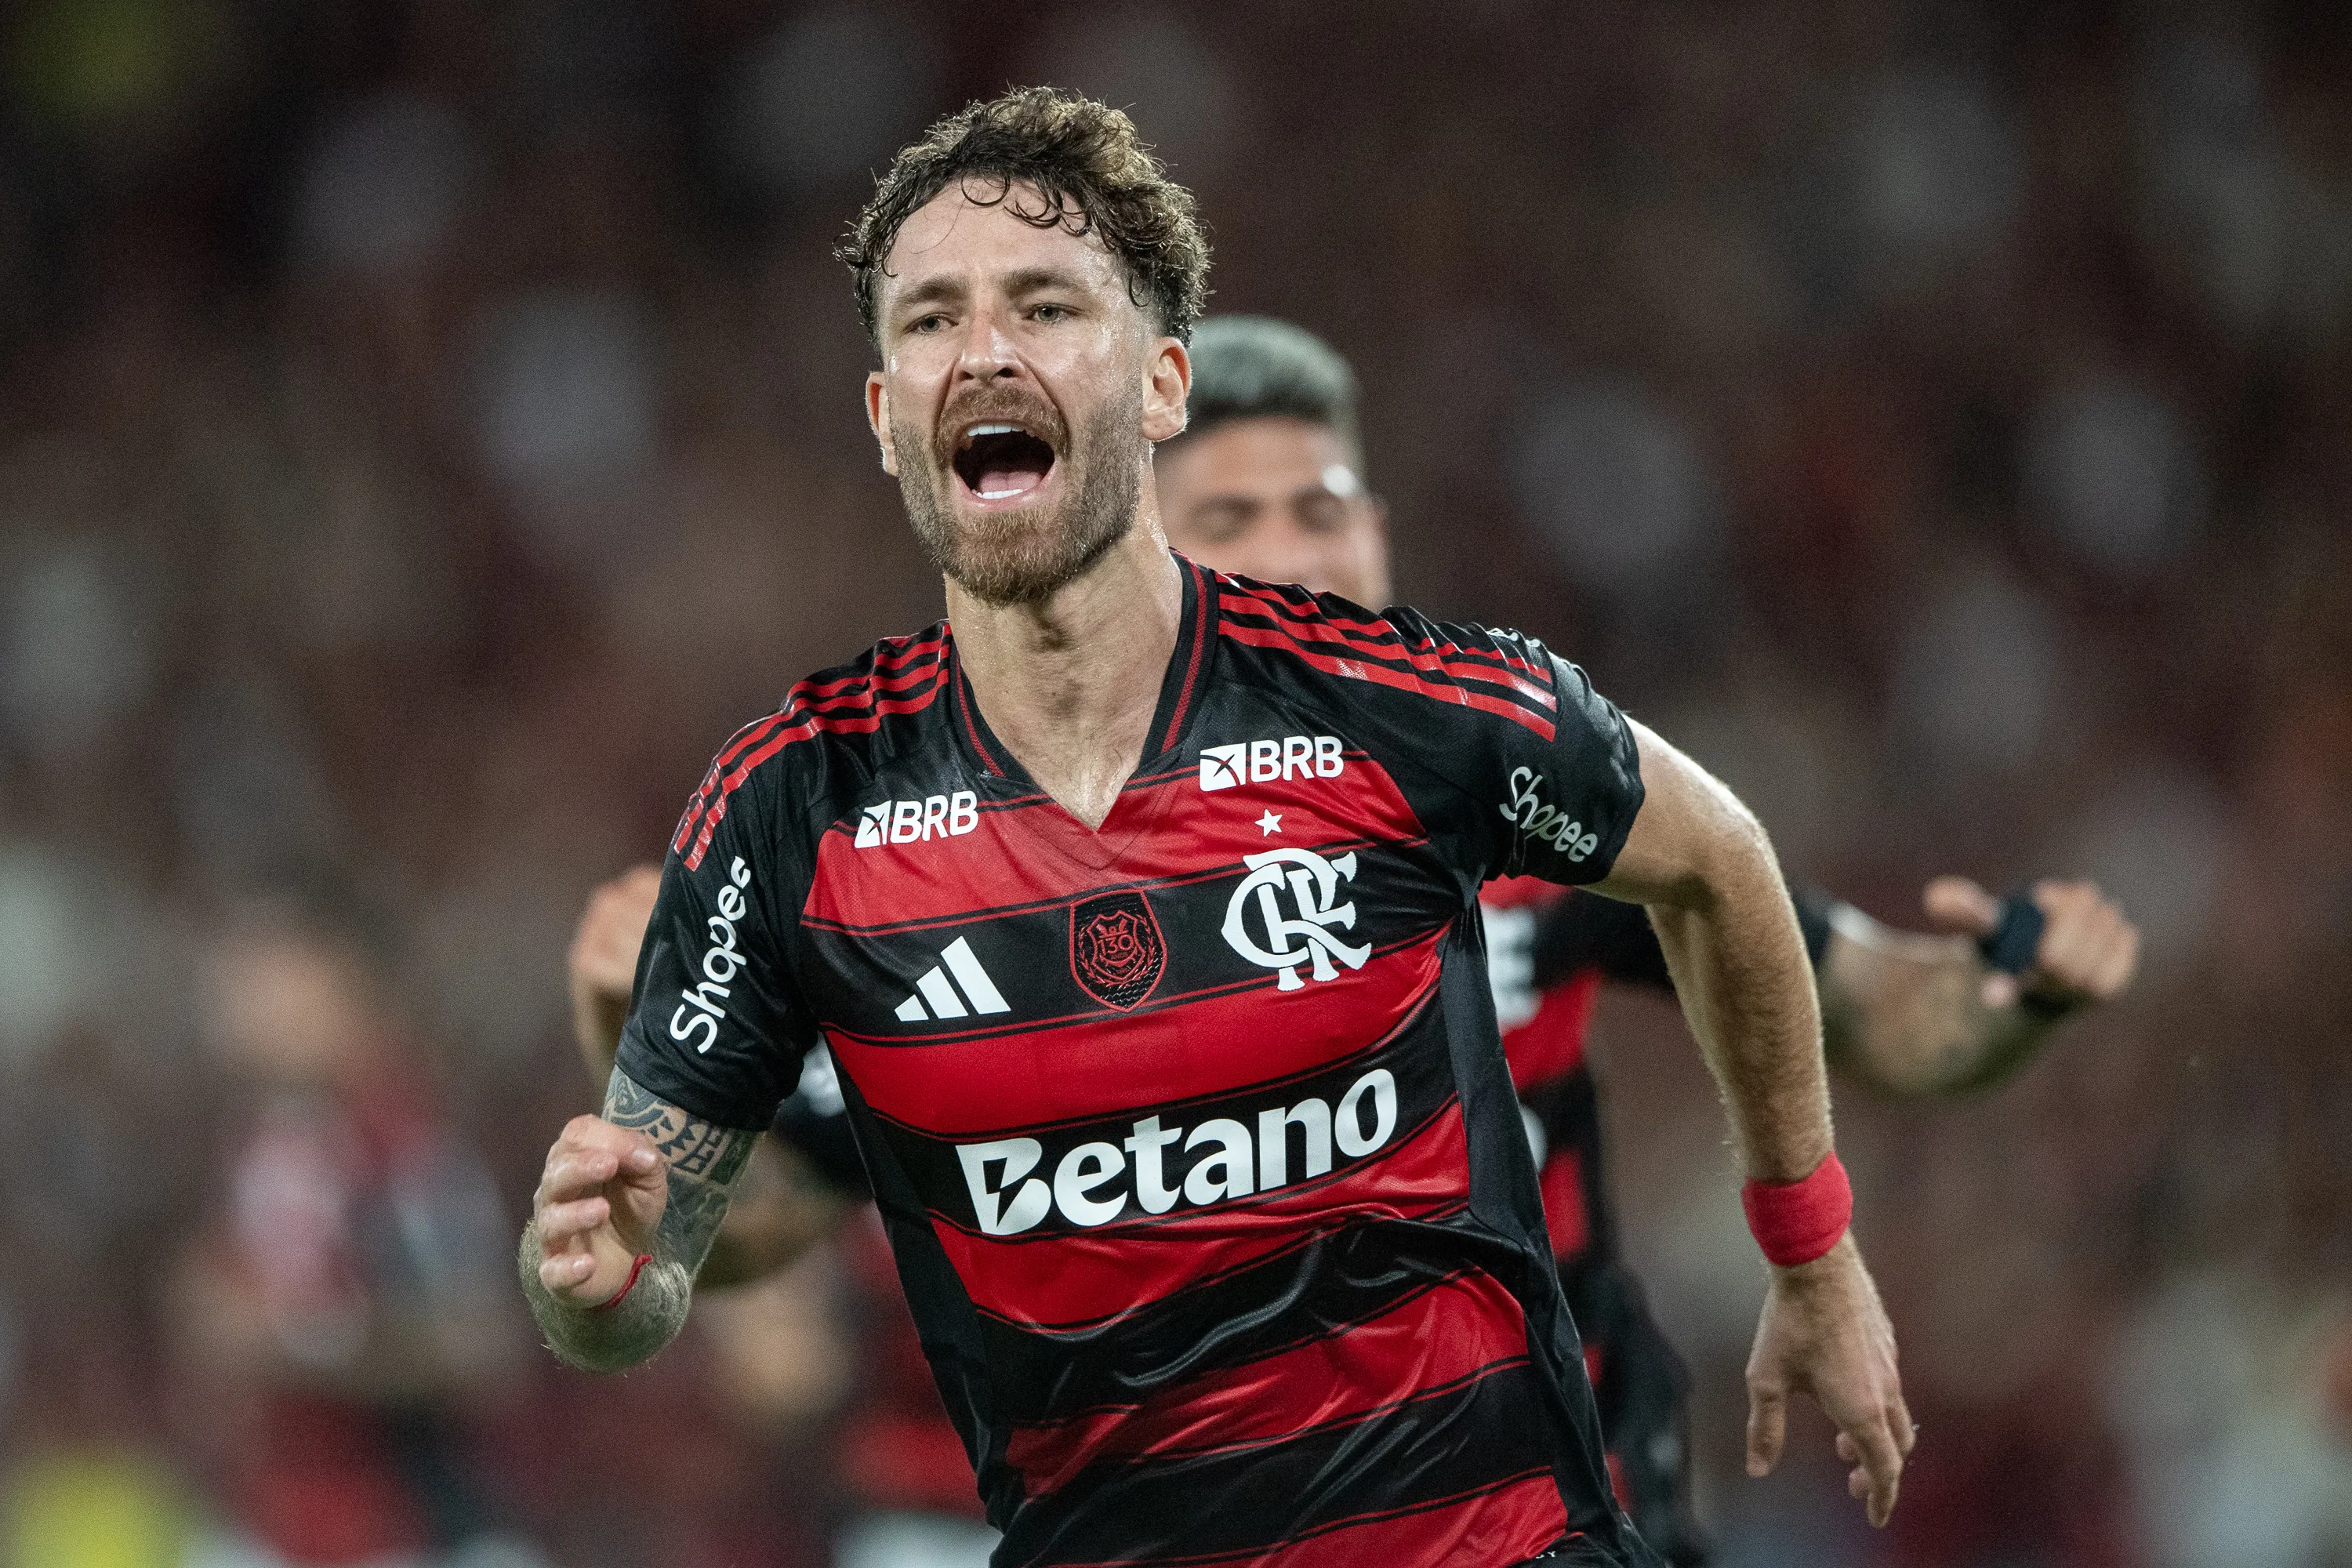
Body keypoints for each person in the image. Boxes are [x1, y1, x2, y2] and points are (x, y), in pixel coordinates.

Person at [522, 88, 1906, 1568]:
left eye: (1044, 304)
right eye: (928, 321)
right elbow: (659, 1268)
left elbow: (1720, 860)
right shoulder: (790, 804)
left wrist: (1808, 1242)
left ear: (1164, 385)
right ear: (884, 416)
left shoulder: (1394, 706)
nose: (981, 350)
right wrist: (595, 1293)